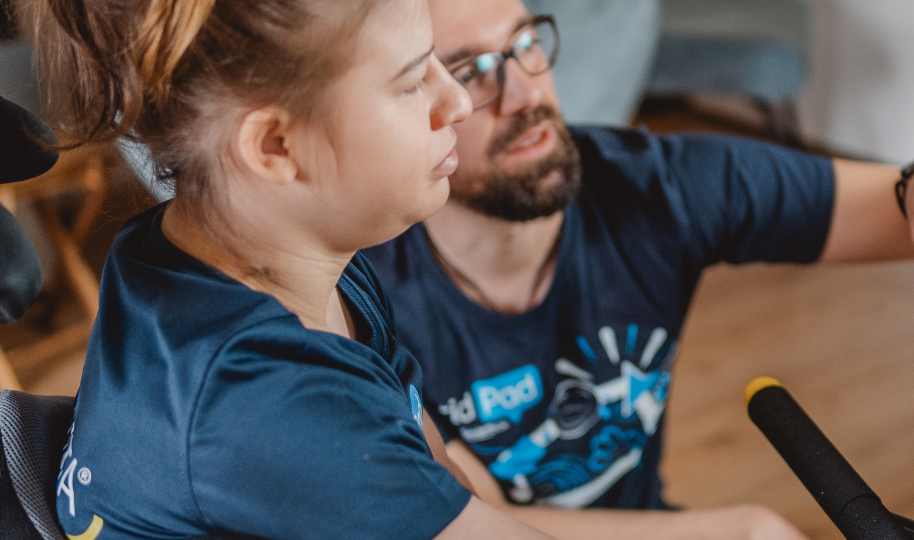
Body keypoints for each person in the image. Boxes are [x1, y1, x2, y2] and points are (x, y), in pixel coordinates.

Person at [362, 0, 914, 537]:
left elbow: (896, 203)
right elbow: (472, 524)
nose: (524, 94)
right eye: (473, 71)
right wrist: (739, 530)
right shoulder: (368, 292)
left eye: (525, 44)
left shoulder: (649, 186)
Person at [35, 0, 555, 538]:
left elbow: (441, 476)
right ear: (275, 145)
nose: (458, 101)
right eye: (410, 81)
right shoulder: (273, 407)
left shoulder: (218, 252)